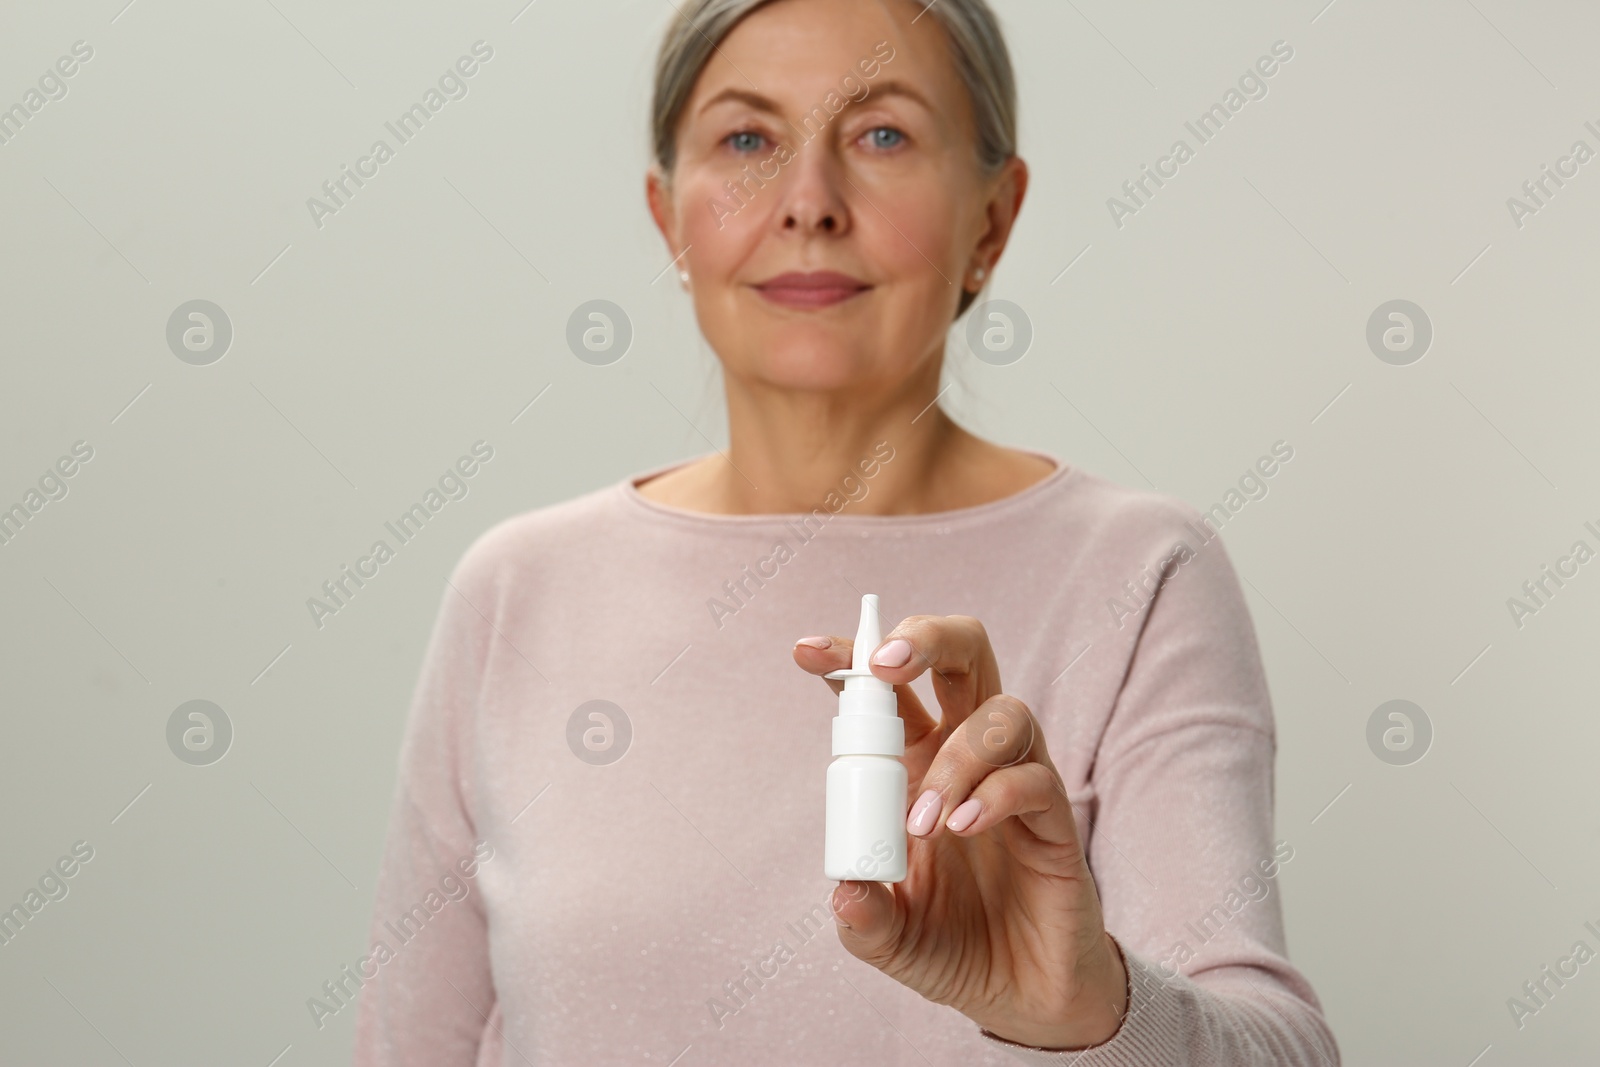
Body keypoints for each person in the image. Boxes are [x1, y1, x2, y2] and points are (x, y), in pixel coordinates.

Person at [352, 0, 1340, 1062]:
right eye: (746, 140)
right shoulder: (517, 588)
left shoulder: (1139, 574)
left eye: (881, 135)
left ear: (992, 219)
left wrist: (1092, 1011)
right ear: (667, 217)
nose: (808, 203)